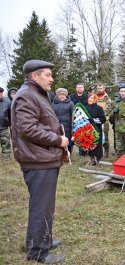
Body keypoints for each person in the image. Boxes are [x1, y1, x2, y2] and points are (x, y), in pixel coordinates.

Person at [11, 59, 68, 263]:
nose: (52, 79)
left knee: (46, 205)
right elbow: (28, 129)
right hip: (38, 160)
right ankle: (37, 251)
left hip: (43, 158)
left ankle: (44, 239)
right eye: (48, 75)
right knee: (40, 206)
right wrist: (58, 140)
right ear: (34, 76)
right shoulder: (27, 95)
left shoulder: (37, 94)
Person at [51, 88, 74, 153]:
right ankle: (59, 154)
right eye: (60, 94)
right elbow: (51, 114)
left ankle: (68, 154)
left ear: (66, 95)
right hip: (56, 126)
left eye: (63, 94)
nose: (61, 96)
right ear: (57, 95)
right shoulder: (53, 104)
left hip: (67, 125)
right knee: (58, 139)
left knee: (68, 140)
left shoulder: (71, 103)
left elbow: (73, 114)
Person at [85, 93, 106, 165]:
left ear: (95, 99)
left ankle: (98, 159)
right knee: (89, 143)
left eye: (92, 98)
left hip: (97, 129)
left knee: (97, 144)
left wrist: (93, 120)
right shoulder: (85, 108)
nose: (90, 100)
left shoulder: (99, 108)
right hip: (87, 129)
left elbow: (103, 119)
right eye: (89, 98)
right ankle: (92, 159)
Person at [96, 84, 112, 158]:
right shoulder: (95, 96)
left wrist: (101, 114)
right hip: (95, 119)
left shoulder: (107, 98)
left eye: (101, 88)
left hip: (104, 119)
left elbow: (109, 108)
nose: (99, 89)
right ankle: (97, 151)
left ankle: (106, 151)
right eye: (98, 88)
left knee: (105, 136)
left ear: (104, 88)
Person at [0, 87, 11, 160]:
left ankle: (6, 157)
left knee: (5, 142)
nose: (0, 94)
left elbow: (10, 114)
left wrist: (10, 123)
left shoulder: (7, 102)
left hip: (3, 126)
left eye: (1, 92)